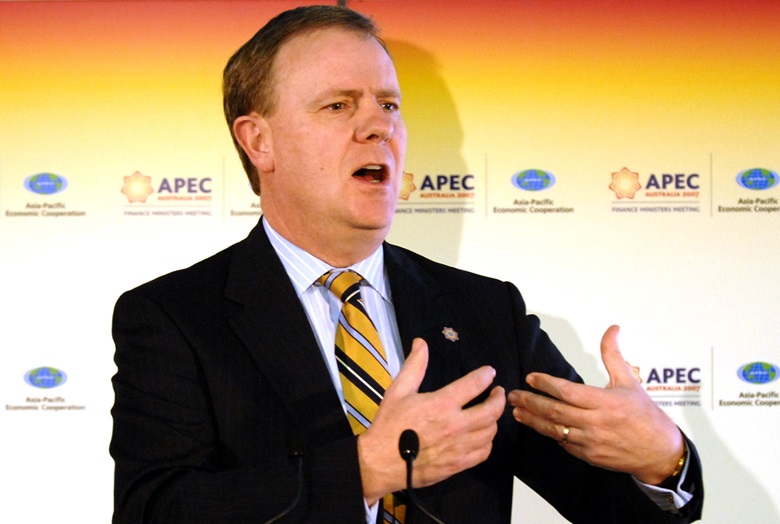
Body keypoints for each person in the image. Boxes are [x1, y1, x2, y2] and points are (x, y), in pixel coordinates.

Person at [110, 5, 703, 523]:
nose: (378, 126)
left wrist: (661, 458)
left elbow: (616, 510)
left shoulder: (485, 312)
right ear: (258, 141)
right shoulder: (173, 317)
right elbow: (154, 511)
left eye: (389, 104)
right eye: (339, 105)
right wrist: (365, 470)